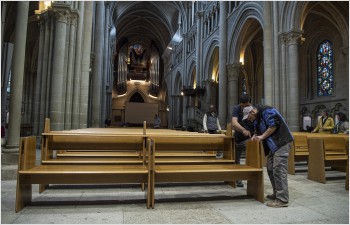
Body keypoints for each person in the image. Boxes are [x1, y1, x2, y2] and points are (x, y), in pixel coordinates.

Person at [247, 104, 294, 208]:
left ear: (252, 112)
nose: (249, 120)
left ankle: (282, 199)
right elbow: (257, 131)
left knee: (279, 169)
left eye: (249, 117)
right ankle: (277, 193)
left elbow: (273, 126)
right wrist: (255, 136)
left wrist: (262, 136)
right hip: (274, 145)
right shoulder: (257, 118)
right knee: (270, 169)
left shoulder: (268, 111)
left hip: (282, 142)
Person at [231, 93, 252, 187]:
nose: (244, 107)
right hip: (239, 137)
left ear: (249, 103)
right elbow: (234, 122)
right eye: (242, 105)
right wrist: (243, 130)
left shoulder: (253, 109)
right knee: (237, 159)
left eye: (246, 105)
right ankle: (238, 179)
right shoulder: (236, 108)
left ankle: (252, 179)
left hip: (250, 138)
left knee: (252, 159)